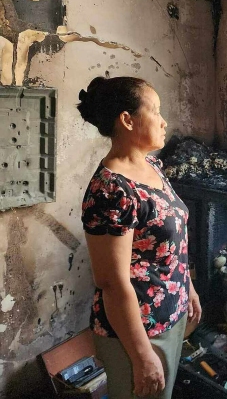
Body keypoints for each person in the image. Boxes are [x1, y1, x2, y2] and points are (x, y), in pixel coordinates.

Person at [78, 76, 201, 398]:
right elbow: (111, 282)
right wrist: (142, 356)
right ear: (127, 120)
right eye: (155, 111)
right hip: (137, 333)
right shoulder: (111, 190)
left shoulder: (151, 167)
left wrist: (186, 286)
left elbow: (169, 245)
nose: (164, 121)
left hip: (169, 315)